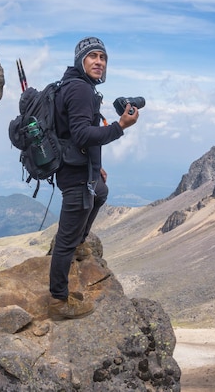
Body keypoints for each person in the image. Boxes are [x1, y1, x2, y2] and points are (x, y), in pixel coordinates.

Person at [48, 36, 139, 320]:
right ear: (81, 61)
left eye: (103, 57)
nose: (99, 62)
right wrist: (120, 126)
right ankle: (58, 301)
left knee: (100, 192)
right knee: (64, 240)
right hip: (73, 174)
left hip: (78, 166)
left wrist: (94, 164)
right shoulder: (81, 90)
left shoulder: (77, 86)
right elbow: (82, 134)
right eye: (93, 57)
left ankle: (79, 241)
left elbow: (73, 134)